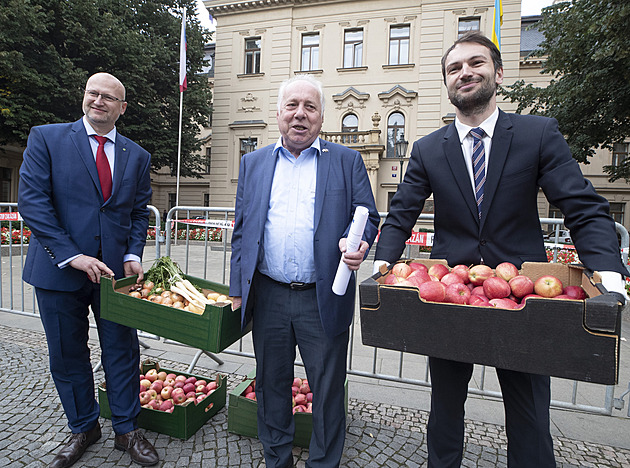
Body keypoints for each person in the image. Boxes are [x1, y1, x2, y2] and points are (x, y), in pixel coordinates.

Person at [374, 32, 628, 468]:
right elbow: (401, 214)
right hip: (451, 298)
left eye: (476, 63)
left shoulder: (537, 133)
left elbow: (582, 206)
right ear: (447, 83)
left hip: (526, 296)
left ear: (498, 73)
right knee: (445, 409)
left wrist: (608, 270)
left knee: (529, 415)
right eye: (454, 68)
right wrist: (381, 264)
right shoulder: (428, 149)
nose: (465, 73)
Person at [229, 74, 380, 467]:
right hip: (270, 295)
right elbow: (242, 230)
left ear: (321, 116)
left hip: (323, 295)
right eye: (292, 106)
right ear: (278, 113)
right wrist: (236, 288)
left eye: (309, 107)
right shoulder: (253, 162)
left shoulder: (346, 161)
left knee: (327, 389)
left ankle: (323, 463)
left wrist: (358, 241)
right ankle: (277, 459)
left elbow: (368, 215)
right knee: (270, 384)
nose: (300, 114)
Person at [18, 72, 159, 468]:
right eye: (93, 94)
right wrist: (71, 255)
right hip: (59, 270)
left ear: (122, 108)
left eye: (109, 97)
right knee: (67, 354)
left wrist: (133, 252)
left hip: (115, 276)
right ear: (84, 97)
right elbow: (33, 203)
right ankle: (83, 426)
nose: (99, 101)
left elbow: (136, 213)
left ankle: (127, 429)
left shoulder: (137, 155)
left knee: (122, 350)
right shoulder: (46, 138)